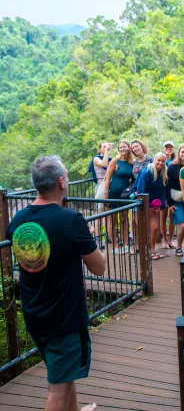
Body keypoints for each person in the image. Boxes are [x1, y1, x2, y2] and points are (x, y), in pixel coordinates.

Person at [6, 155, 105, 411]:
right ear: (61, 182)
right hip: (65, 317)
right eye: (68, 178)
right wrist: (89, 238)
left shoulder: (18, 220)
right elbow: (99, 267)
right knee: (57, 389)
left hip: (35, 312)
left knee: (63, 373)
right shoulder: (70, 220)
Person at [103, 140, 134, 253]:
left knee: (124, 219)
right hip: (114, 192)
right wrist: (106, 194)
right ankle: (115, 246)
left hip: (125, 194)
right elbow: (107, 178)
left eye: (124, 147)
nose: (122, 149)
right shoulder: (114, 161)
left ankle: (125, 244)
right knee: (113, 220)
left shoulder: (131, 162)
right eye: (120, 147)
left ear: (128, 148)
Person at [136, 152, 168, 261]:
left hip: (153, 204)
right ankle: (148, 251)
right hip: (143, 203)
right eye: (159, 160)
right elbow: (141, 191)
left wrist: (161, 204)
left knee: (153, 228)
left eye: (163, 161)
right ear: (154, 160)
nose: (160, 163)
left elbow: (163, 191)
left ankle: (152, 250)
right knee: (153, 227)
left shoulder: (162, 174)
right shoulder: (147, 172)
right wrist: (148, 206)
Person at [167, 144, 184, 257]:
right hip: (176, 199)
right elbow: (168, 185)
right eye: (182, 152)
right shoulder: (172, 166)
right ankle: (179, 247)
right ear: (179, 153)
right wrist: (170, 204)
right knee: (182, 225)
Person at [160, 141, 175, 249]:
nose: (168, 149)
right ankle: (164, 240)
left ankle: (170, 240)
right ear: (163, 148)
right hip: (163, 190)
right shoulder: (161, 160)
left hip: (173, 190)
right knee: (163, 215)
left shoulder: (175, 161)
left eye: (170, 147)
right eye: (166, 147)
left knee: (173, 215)